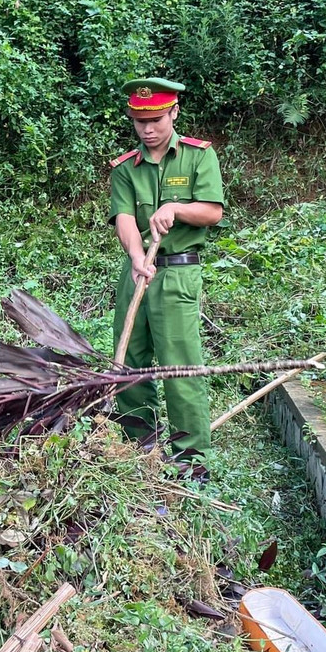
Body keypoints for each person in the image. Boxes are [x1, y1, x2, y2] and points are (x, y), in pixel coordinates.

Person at [108, 78, 225, 476]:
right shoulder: (126, 168)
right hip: (139, 272)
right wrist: (137, 256)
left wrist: (176, 207)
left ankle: (192, 460)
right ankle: (138, 445)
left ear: (174, 112)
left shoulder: (198, 157)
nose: (148, 129)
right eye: (139, 121)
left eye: (156, 119)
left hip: (178, 273)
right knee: (131, 362)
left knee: (179, 365)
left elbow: (212, 212)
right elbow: (124, 217)